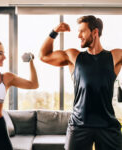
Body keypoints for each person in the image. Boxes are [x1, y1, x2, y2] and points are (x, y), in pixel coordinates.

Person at [39, 15, 122, 150]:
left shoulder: (114, 56)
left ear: (95, 32)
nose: (79, 36)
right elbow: (44, 56)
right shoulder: (74, 56)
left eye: (82, 31)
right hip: (79, 126)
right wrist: (54, 31)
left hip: (108, 126)